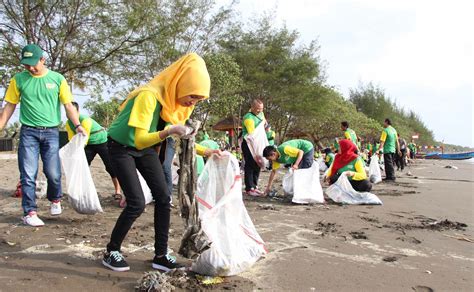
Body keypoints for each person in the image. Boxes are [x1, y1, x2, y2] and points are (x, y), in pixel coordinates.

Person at [102, 53, 219, 272]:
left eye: (197, 99)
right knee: (136, 202)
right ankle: (112, 250)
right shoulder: (148, 96)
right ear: (181, 84)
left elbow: (185, 140)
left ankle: (161, 255)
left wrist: (209, 151)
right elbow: (138, 139)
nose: (192, 102)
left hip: (146, 149)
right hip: (122, 148)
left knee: (164, 198)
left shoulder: (178, 103)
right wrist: (170, 130)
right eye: (192, 96)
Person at [0, 44, 85, 227]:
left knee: (53, 173)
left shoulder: (57, 79)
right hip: (28, 132)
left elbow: (68, 105)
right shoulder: (18, 80)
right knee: (28, 174)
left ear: (42, 60)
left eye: (33, 64)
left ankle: (55, 199)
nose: (30, 68)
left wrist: (77, 125)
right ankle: (29, 212)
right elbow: (9, 106)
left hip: (51, 132)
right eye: (26, 64)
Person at [66, 102, 122, 204]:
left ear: (78, 111)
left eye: (72, 111)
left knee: (110, 166)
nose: (69, 114)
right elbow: (71, 138)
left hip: (101, 140)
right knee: (83, 165)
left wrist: (78, 150)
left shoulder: (85, 120)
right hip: (89, 144)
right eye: (67, 111)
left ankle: (118, 191)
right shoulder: (68, 123)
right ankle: (81, 191)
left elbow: (85, 138)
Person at [241, 99, 266, 196]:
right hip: (249, 143)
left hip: (259, 142)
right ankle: (249, 188)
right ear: (252, 108)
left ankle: (255, 186)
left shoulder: (261, 114)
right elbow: (252, 134)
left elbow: (264, 123)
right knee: (250, 164)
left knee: (258, 163)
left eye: (261, 109)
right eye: (257, 109)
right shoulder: (248, 118)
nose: (259, 111)